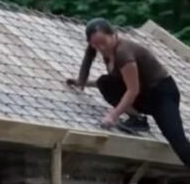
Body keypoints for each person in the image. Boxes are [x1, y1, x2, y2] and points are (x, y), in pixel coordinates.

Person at [67, 18, 190, 168]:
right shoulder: (104, 51)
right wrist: (82, 82)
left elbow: (133, 90)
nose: (101, 48)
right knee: (104, 82)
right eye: (96, 45)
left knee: (176, 139)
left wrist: (113, 116)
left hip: (161, 94)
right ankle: (137, 119)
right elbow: (120, 82)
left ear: (113, 35)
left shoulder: (123, 53)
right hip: (144, 95)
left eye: (103, 42)